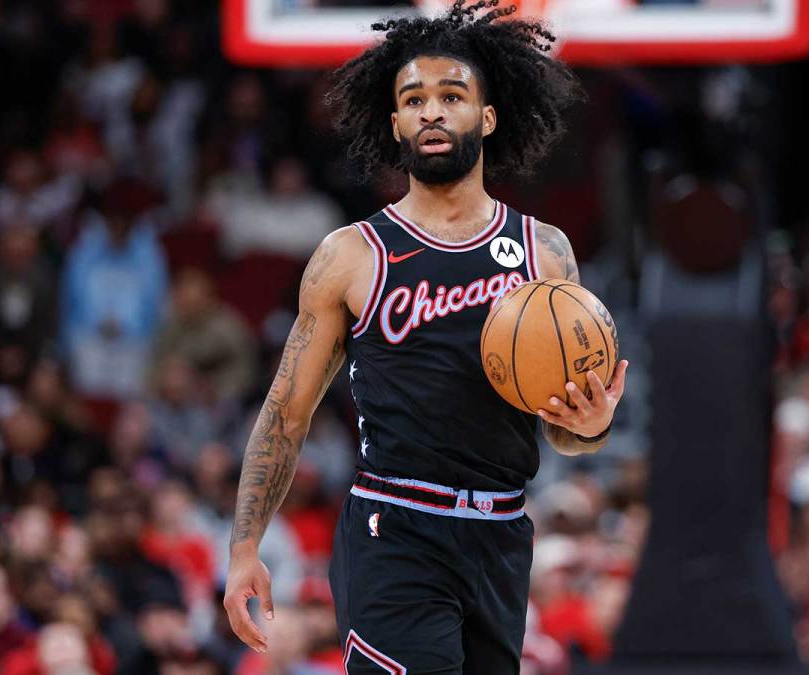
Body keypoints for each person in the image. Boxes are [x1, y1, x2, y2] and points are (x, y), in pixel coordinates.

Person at [223, 1, 628, 673]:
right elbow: (286, 411)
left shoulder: (545, 255)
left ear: (488, 117)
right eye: (413, 99)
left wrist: (593, 421)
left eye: (451, 95)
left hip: (501, 534)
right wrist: (243, 549)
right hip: (395, 529)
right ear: (396, 123)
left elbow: (564, 431)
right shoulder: (352, 256)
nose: (430, 110)